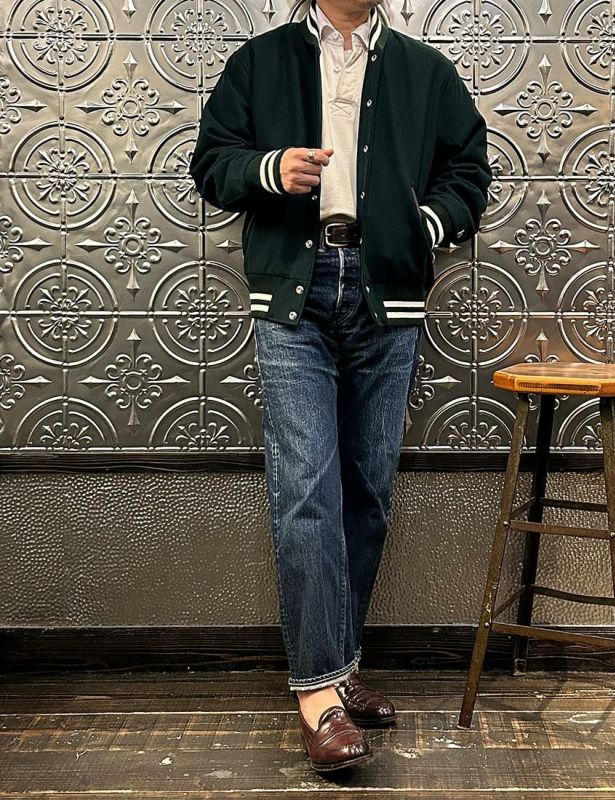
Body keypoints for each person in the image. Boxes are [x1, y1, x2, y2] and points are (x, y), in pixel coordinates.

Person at [189, 0, 491, 772]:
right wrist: (269, 171)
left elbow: (470, 172)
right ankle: (319, 697)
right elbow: (211, 163)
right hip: (294, 291)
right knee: (307, 494)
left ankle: (340, 660)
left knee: (366, 493)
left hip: (387, 292)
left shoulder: (426, 71)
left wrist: (420, 226)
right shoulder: (261, 61)